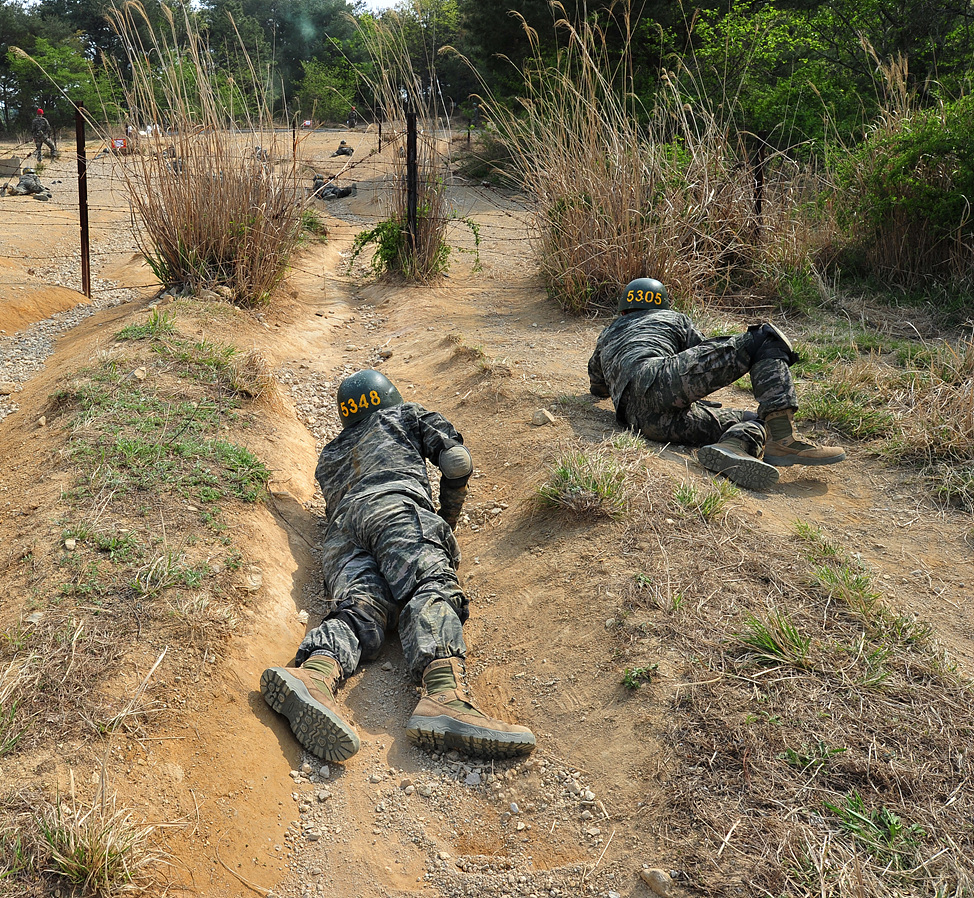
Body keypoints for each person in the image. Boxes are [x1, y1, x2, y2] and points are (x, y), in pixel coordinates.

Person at [261, 370, 536, 763]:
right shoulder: (405, 415)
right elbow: (456, 461)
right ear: (389, 396)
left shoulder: (330, 455)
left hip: (341, 534)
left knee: (361, 608)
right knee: (429, 585)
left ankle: (314, 674)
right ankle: (444, 697)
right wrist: (446, 518)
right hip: (396, 512)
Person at [588, 277, 846, 489]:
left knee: (756, 419)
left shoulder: (607, 333)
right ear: (663, 307)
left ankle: (734, 445)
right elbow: (704, 355)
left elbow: (597, 384)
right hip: (659, 381)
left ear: (623, 310)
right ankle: (783, 438)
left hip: (642, 421)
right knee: (765, 339)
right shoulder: (673, 319)